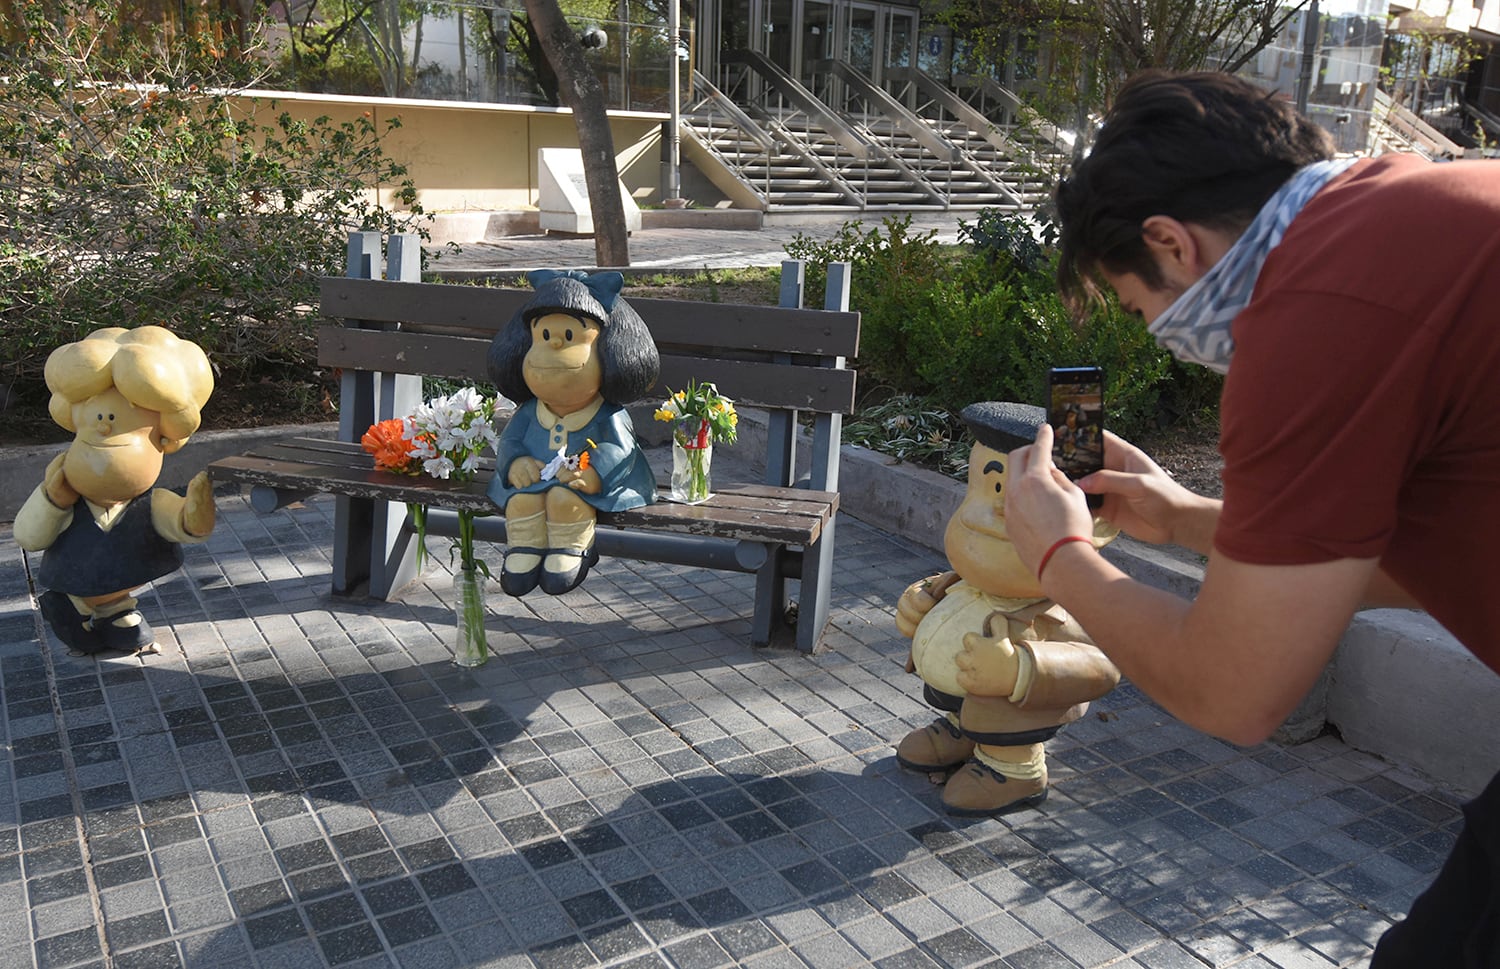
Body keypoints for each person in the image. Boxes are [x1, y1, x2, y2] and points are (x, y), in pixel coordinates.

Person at [1002, 70, 1500, 967]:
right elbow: (1428, 563)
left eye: (1139, 304)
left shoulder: (1312, 308)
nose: (1158, 330)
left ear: (1171, 244)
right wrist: (1189, 517)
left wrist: (1060, 552)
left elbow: (1234, 692)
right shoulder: (1404, 206)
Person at [894, 402, 1120, 816]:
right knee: (973, 700)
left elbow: (1101, 666)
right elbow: (934, 600)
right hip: (969, 693)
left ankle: (1014, 770)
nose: (988, 514)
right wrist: (918, 608)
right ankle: (965, 731)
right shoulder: (966, 582)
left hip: (1017, 709)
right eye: (987, 488)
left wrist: (1019, 671)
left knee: (1005, 715)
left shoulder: (1069, 606)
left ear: (1097, 526)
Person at [15, 326, 217, 654]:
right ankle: (76, 607)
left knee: (131, 634)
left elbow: (183, 525)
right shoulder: (65, 492)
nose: (105, 429)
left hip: (125, 575)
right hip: (72, 576)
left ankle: (112, 610)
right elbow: (28, 536)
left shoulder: (150, 503)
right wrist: (53, 501)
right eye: (95, 426)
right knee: (88, 621)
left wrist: (197, 509)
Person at [486, 269, 659, 597]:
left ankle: (571, 549)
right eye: (543, 336)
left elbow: (620, 449)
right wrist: (515, 462)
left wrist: (594, 472)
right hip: (535, 479)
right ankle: (525, 548)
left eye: (568, 336)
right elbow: (510, 440)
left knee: (566, 500)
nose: (552, 347)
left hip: (585, 485)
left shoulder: (605, 413)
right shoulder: (530, 411)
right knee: (521, 502)